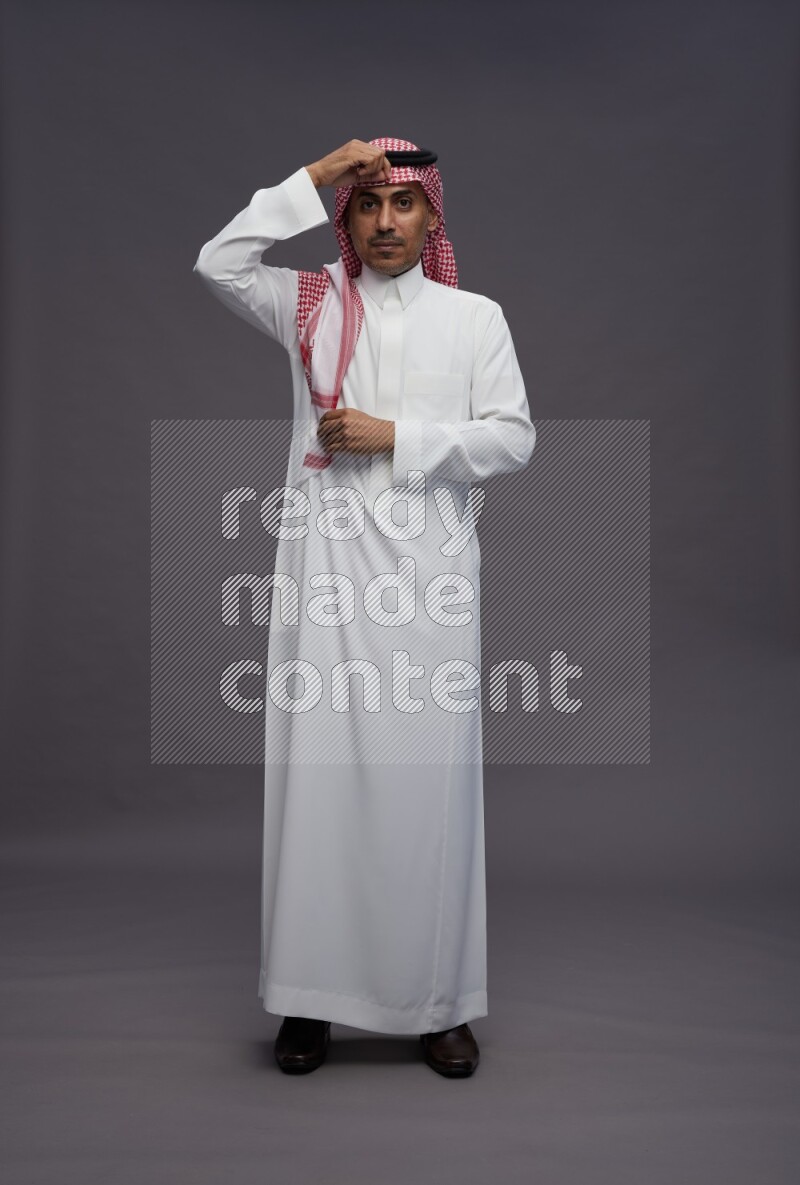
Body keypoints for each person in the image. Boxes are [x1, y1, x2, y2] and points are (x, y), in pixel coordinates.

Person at [193, 136, 535, 1077]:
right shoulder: (312, 302)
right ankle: (308, 1001)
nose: (386, 222)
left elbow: (513, 439)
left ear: (433, 216)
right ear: (345, 218)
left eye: (403, 203)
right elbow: (219, 262)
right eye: (368, 204)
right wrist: (318, 173)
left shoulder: (475, 318)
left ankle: (439, 1005)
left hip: (429, 589)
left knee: (429, 794)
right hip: (326, 582)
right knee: (319, 791)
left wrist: (398, 436)